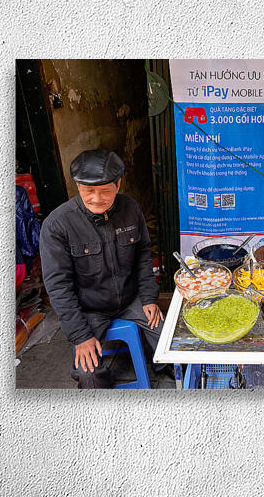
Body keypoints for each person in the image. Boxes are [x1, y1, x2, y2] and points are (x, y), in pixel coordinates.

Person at [39, 148, 171, 389]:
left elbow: (142, 254)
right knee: (89, 374)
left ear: (118, 184)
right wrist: (80, 336)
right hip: (90, 309)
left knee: (168, 341)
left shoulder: (130, 208)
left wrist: (149, 298)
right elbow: (59, 287)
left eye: (105, 190)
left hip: (131, 299)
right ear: (77, 186)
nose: (97, 199)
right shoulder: (57, 225)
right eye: (89, 191)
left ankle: (162, 366)